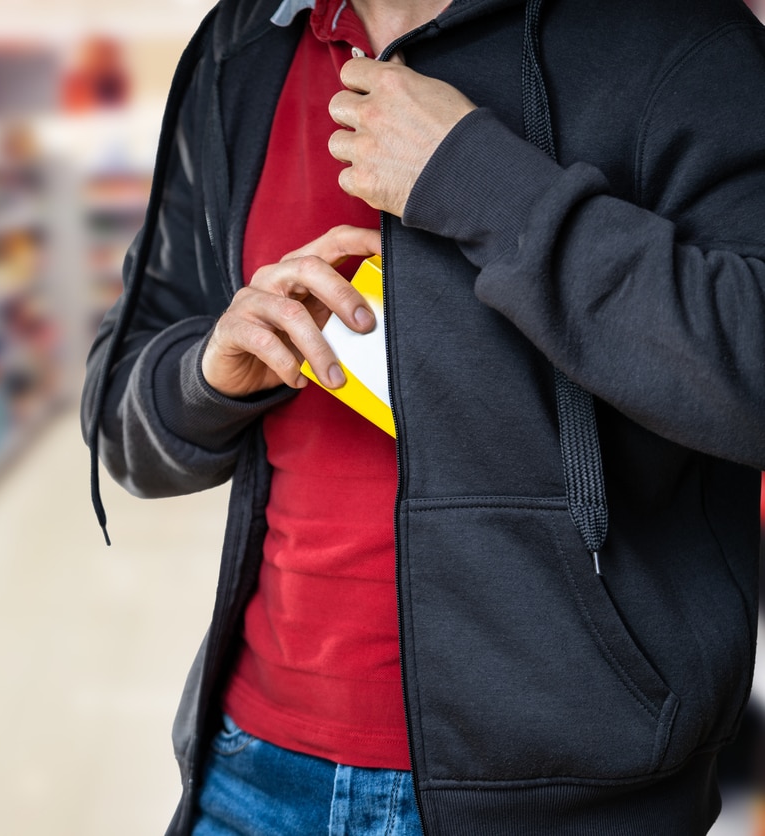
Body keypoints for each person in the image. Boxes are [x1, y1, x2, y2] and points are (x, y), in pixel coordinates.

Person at [81, 0, 765, 832]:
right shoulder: (244, 47)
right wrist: (207, 377)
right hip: (252, 769)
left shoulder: (683, 40)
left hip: (563, 795)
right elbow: (120, 424)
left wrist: (478, 180)